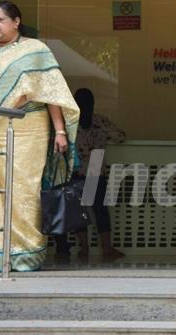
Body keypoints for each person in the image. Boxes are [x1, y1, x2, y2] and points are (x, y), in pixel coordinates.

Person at [0, 1, 79, 272]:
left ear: (16, 22)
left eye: (0, 19)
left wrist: (60, 131)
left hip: (29, 129)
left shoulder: (36, 51)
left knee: (22, 190)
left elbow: (51, 94)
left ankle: (22, 253)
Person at [55, 88, 126, 259]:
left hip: (77, 169)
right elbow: (121, 136)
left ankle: (84, 248)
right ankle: (107, 249)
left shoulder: (71, 123)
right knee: (100, 211)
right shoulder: (100, 121)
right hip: (95, 167)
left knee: (80, 212)